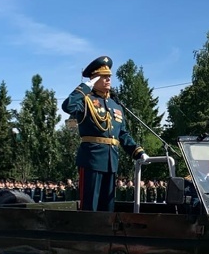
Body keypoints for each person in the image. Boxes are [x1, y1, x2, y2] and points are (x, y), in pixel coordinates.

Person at [62, 56, 147, 212]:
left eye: (109, 76)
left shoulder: (116, 104)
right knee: (90, 207)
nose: (108, 79)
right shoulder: (86, 99)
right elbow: (68, 106)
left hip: (111, 161)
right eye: (104, 76)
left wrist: (138, 152)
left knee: (107, 208)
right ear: (94, 79)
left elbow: (123, 134)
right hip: (92, 160)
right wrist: (84, 87)